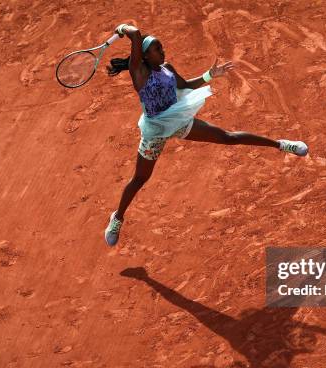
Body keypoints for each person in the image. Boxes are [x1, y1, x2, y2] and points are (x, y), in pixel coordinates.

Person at [104, 23, 309, 246]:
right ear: (143, 56)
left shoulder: (168, 68)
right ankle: (117, 218)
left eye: (162, 47)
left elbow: (185, 86)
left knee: (227, 137)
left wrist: (210, 75)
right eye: (157, 49)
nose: (163, 51)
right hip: (155, 132)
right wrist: (122, 28)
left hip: (177, 120)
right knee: (140, 178)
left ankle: (281, 144)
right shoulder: (139, 72)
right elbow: (134, 34)